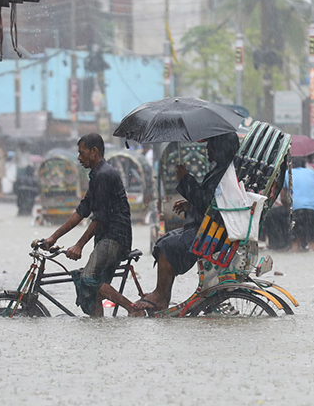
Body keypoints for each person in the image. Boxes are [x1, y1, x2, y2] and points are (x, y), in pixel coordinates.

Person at [136, 132, 240, 311]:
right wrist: (189, 205)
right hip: (211, 228)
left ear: (220, 148)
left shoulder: (225, 174)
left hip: (213, 234)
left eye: (211, 145)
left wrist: (186, 179)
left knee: (168, 246)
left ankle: (161, 296)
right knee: (164, 240)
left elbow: (208, 202)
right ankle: (162, 293)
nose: (207, 149)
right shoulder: (222, 170)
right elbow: (211, 202)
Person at [43, 133, 137, 317]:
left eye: (81, 152)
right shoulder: (97, 175)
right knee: (93, 289)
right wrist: (54, 237)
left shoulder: (104, 175)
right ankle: (98, 327)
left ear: (94, 152)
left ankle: (133, 309)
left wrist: (79, 245)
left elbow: (100, 218)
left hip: (115, 237)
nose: (79, 158)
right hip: (107, 237)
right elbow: (82, 210)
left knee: (87, 279)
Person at [283, 156, 314, 252]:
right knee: (312, 238)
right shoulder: (312, 173)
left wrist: (288, 208)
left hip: (296, 209)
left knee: (295, 239)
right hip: (311, 209)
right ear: (304, 165)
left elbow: (283, 197)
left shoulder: (288, 174)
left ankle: (295, 255)